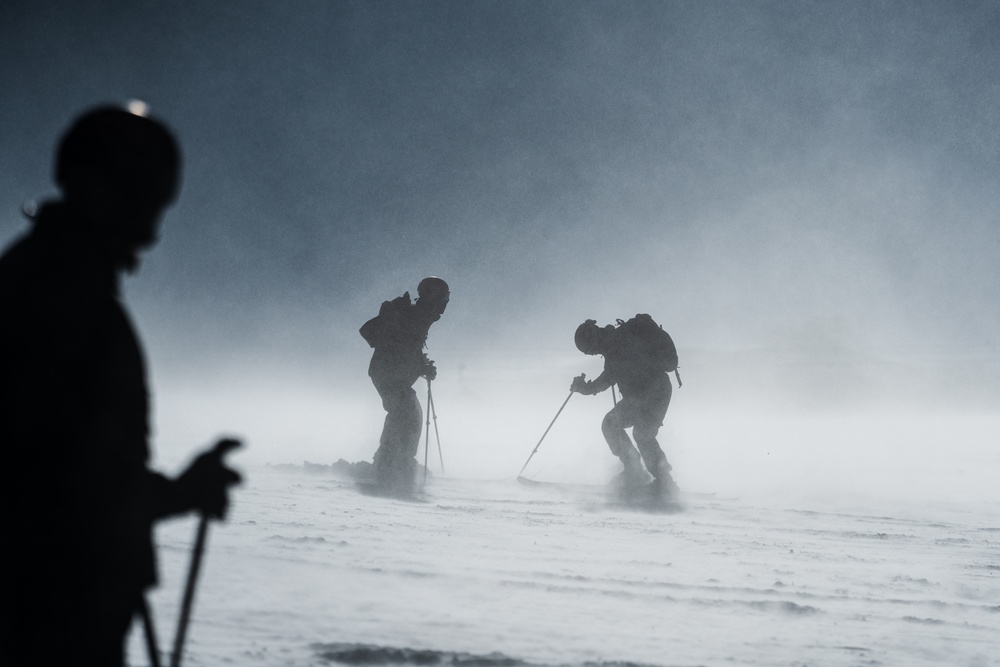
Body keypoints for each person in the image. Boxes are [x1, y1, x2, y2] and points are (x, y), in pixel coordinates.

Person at [0, 103, 242, 667]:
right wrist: (180, 493)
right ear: (97, 186)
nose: (154, 227)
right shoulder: (60, 301)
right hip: (45, 614)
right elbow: (63, 485)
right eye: (144, 198)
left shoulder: (54, 282)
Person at [569, 314, 680, 494]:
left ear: (594, 339)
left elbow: (607, 379)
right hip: (647, 394)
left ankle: (654, 480)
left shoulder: (617, 345)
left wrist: (585, 388)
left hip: (653, 393)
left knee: (637, 432)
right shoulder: (616, 342)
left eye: (591, 350)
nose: (594, 353)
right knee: (621, 426)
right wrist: (585, 388)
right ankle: (646, 476)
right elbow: (612, 375)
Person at [360, 277, 449, 491]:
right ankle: (391, 466)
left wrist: (422, 366)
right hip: (388, 374)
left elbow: (408, 350)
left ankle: (392, 463)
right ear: (434, 298)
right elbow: (399, 348)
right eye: (443, 300)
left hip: (389, 374)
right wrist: (420, 367)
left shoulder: (419, 316)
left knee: (407, 413)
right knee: (406, 413)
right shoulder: (415, 316)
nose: (444, 306)